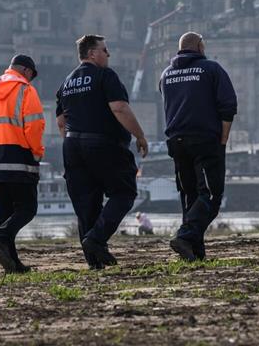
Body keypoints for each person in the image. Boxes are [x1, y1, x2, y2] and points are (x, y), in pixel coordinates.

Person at [57, 35, 149, 269]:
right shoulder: (104, 75)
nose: (108, 54)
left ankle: (93, 260)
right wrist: (139, 135)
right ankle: (96, 240)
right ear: (91, 53)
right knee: (124, 192)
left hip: (72, 145)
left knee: (86, 203)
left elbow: (61, 122)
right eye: (104, 50)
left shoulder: (66, 83)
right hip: (103, 144)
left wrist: (74, 145)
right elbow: (119, 108)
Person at [159, 32, 237, 262]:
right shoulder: (211, 69)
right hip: (205, 139)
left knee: (190, 195)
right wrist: (223, 139)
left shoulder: (166, 74)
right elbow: (228, 106)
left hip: (176, 141)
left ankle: (194, 252)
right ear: (200, 47)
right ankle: (185, 236)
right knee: (211, 194)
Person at [0, 54, 46, 273]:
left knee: (6, 210)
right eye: (31, 75)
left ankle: (12, 263)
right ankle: (0, 237)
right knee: (27, 208)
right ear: (26, 70)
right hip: (19, 157)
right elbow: (34, 126)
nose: (31, 79)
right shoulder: (26, 90)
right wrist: (37, 152)